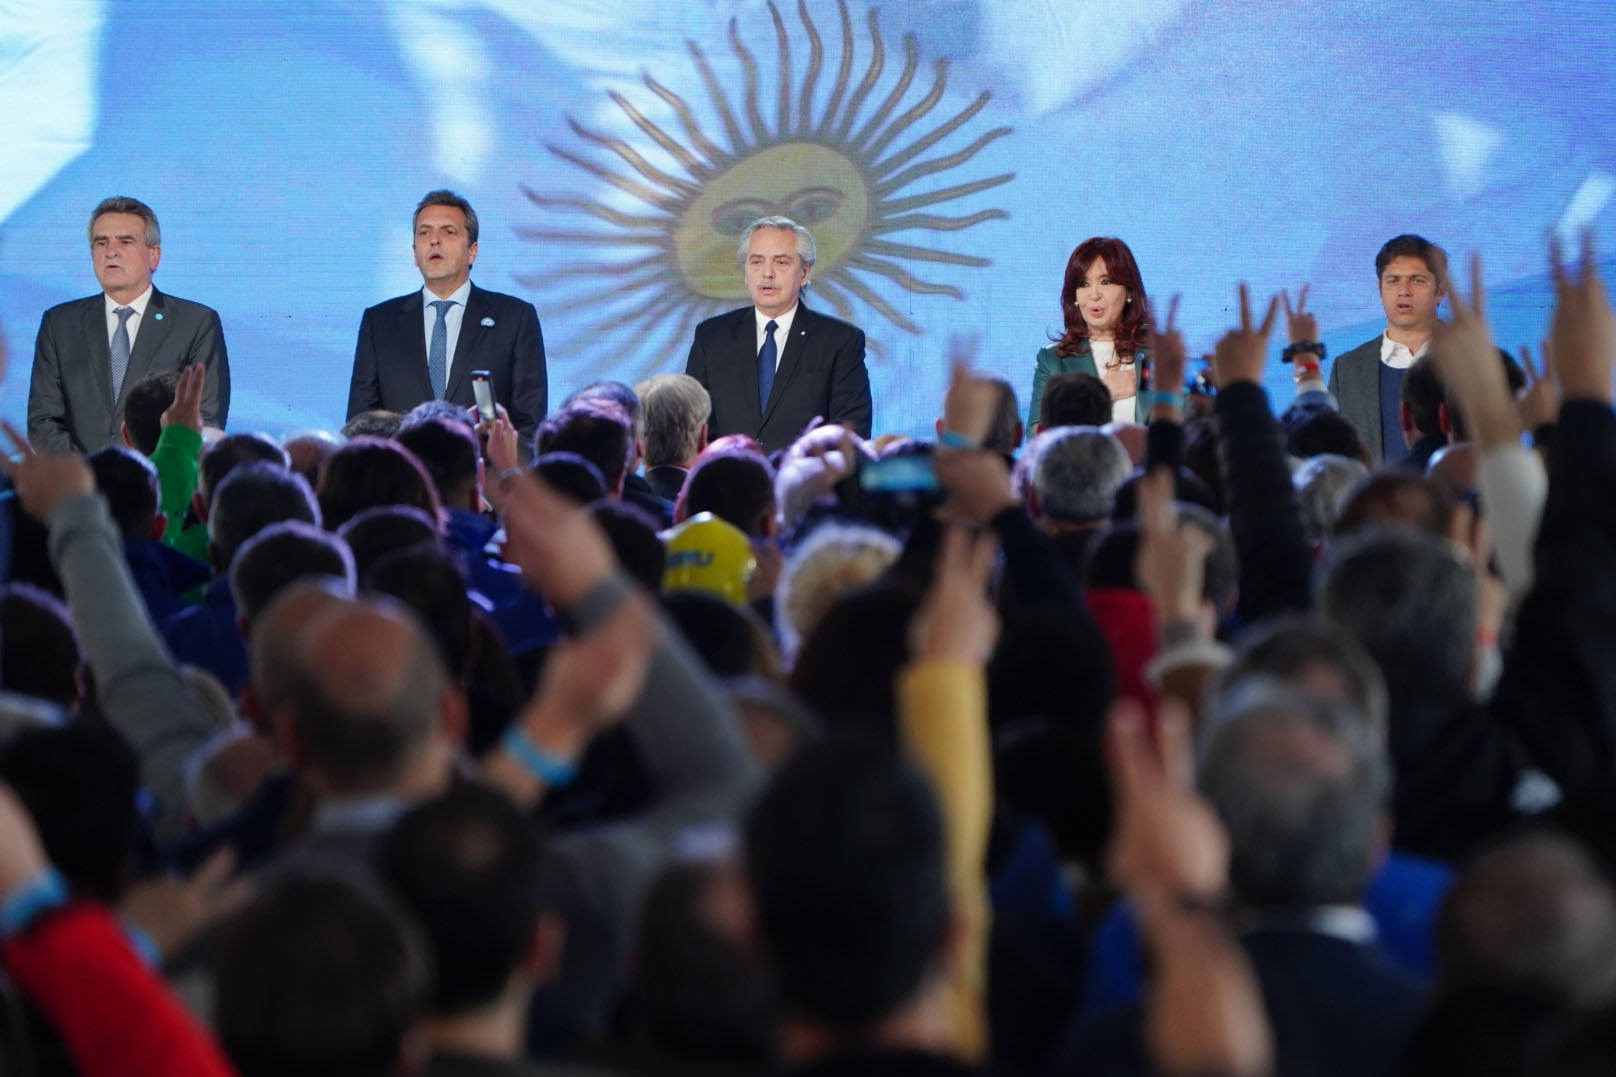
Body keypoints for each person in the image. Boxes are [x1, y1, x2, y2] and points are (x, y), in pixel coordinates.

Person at [28, 196, 230, 453]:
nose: (111, 251)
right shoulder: (59, 324)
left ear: (154, 255)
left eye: (125, 241)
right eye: (101, 242)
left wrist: (150, 476)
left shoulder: (196, 323)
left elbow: (205, 419)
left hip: (159, 486)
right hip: (79, 486)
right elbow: (43, 420)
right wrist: (89, 477)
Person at [348, 190, 547, 441]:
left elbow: (529, 425)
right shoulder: (379, 323)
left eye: (448, 232)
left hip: (484, 475)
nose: (434, 240)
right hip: (402, 476)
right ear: (414, 253)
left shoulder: (515, 318)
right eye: (424, 232)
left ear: (472, 251)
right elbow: (360, 424)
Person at [685, 215, 872, 452]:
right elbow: (690, 425)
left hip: (805, 485)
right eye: (756, 262)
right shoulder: (711, 337)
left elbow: (851, 433)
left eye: (781, 262)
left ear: (804, 272)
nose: (767, 273)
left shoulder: (841, 341)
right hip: (727, 483)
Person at [1325, 234, 1448, 463]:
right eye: (1393, 281)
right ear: (1380, 289)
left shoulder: (1478, 361)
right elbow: (1335, 456)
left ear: (1440, 290)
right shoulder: (1347, 370)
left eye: (1417, 280)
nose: (1404, 291)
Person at [1027, 237, 1150, 434]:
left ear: (1128, 291)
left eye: (1105, 282)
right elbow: (1037, 440)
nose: (1094, 295)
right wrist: (1103, 392)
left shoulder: (1157, 357)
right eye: (1083, 284)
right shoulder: (1053, 361)